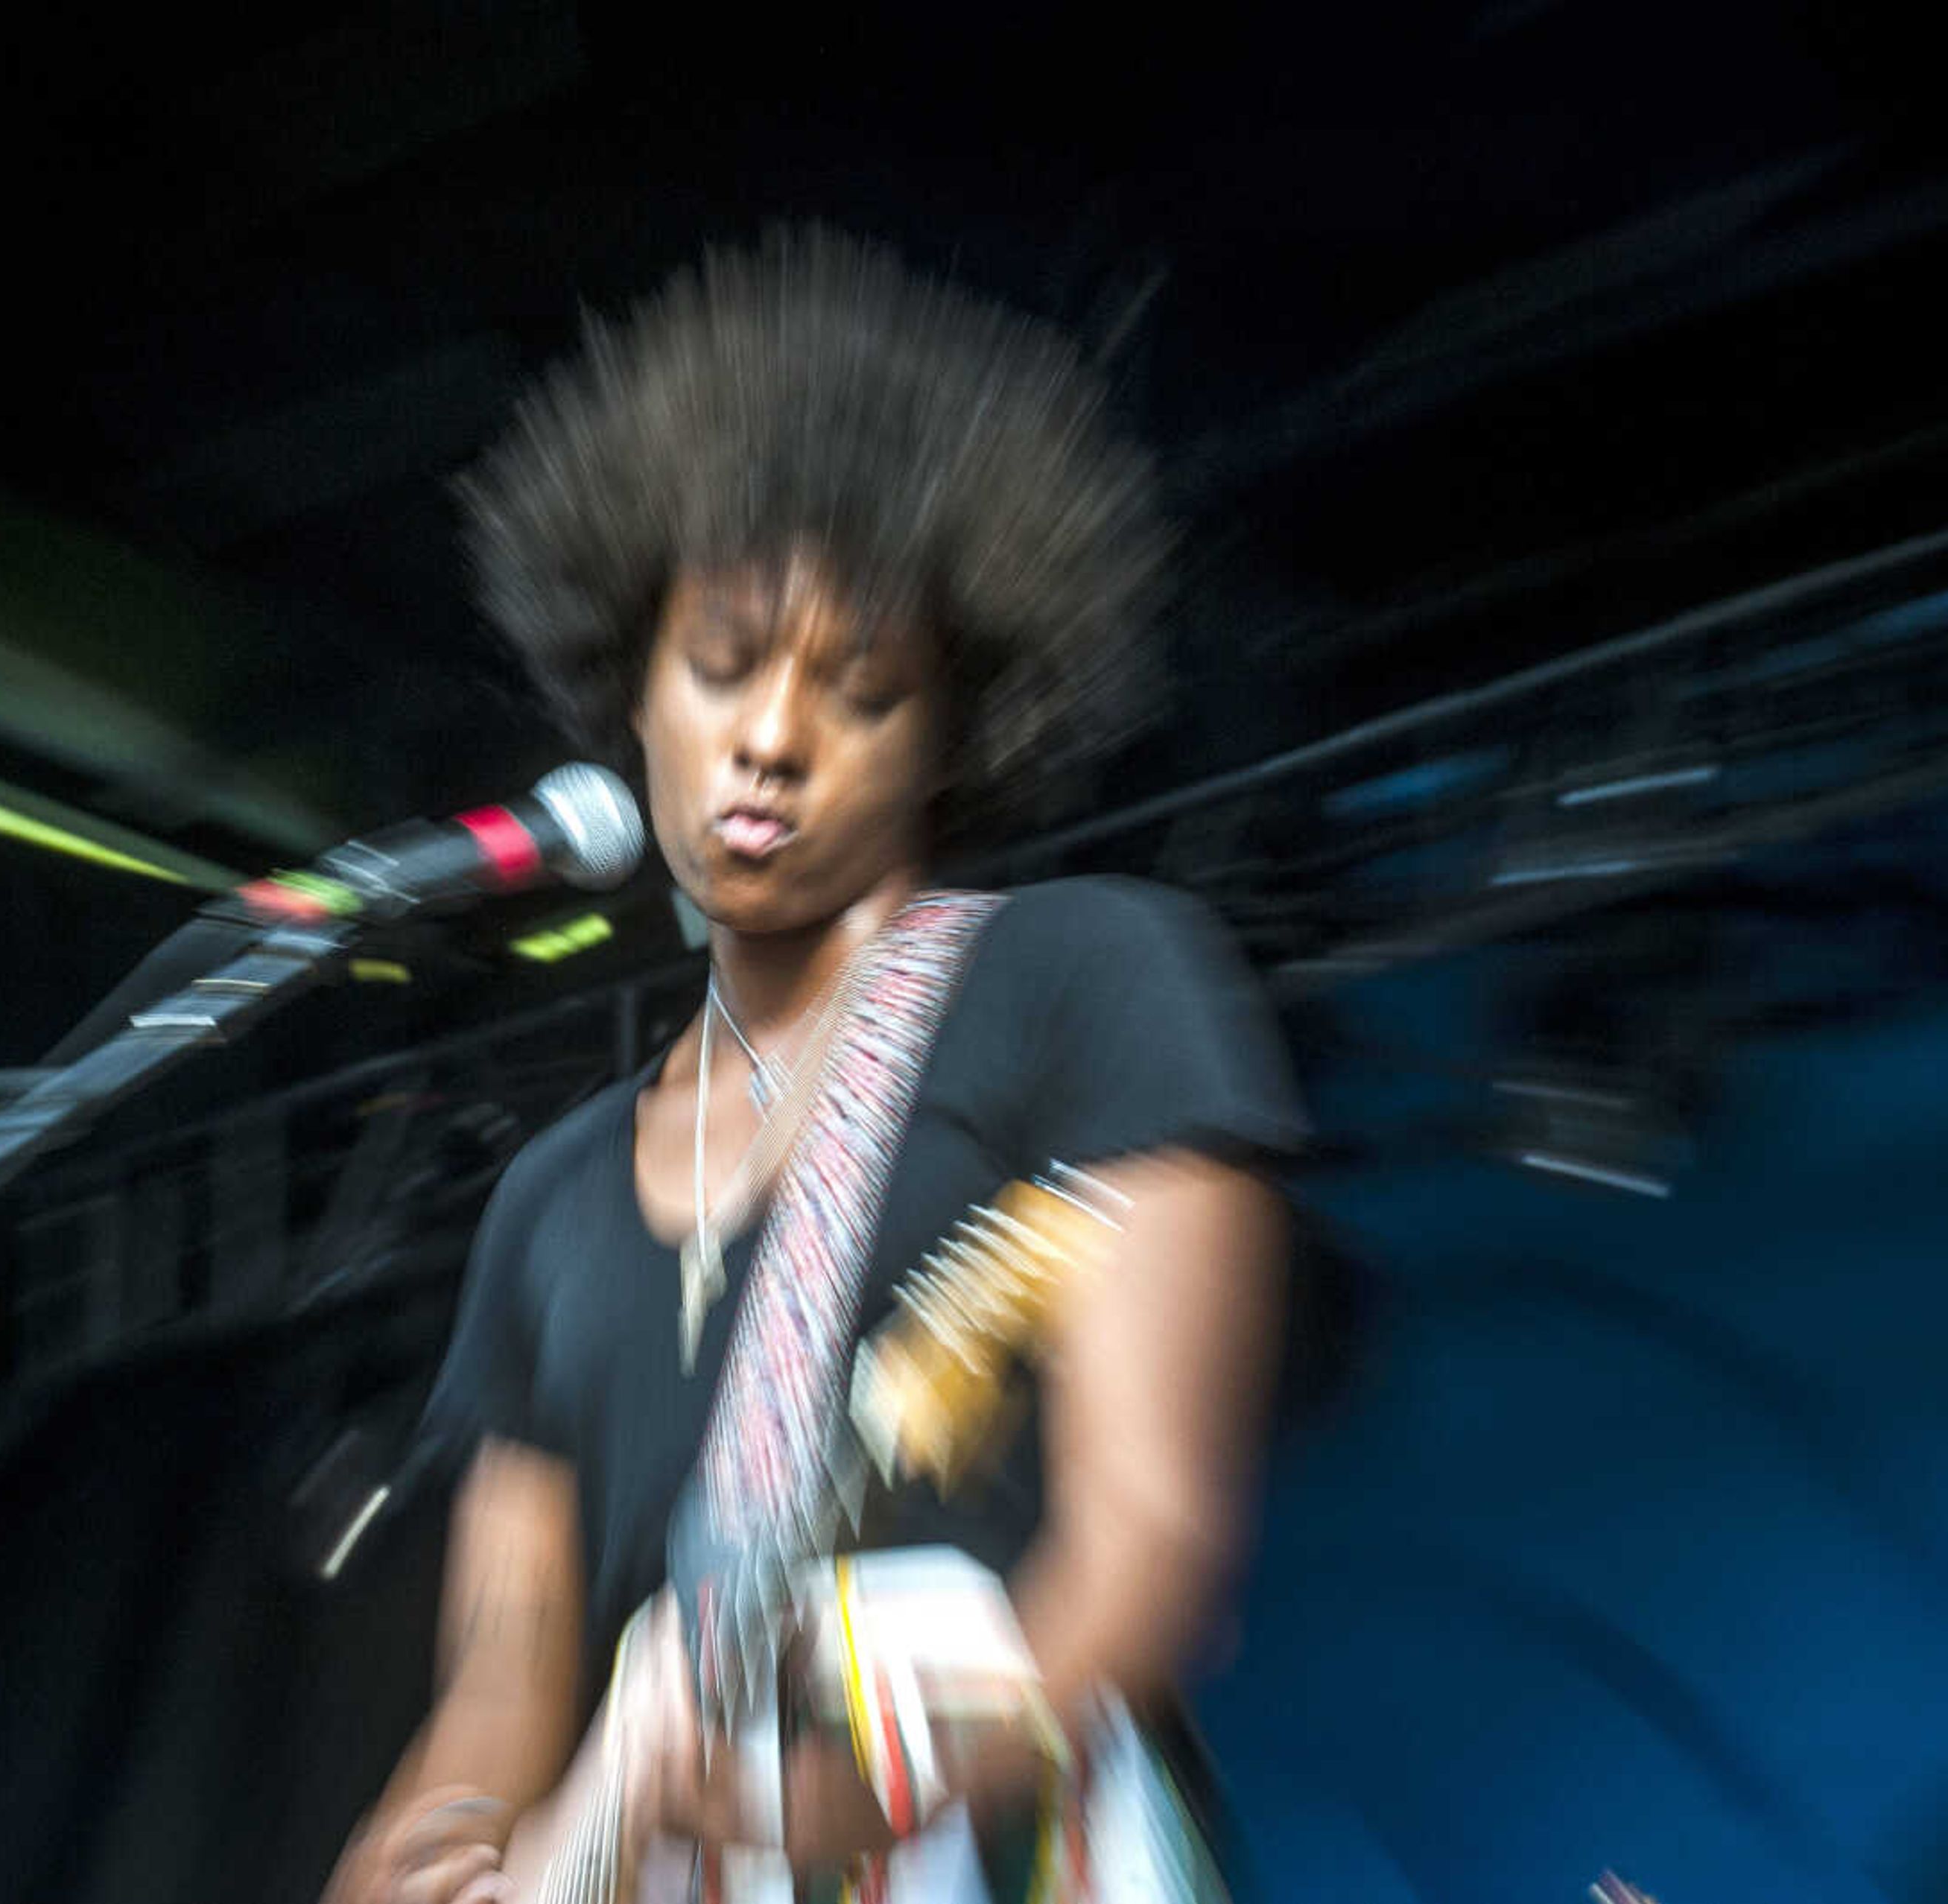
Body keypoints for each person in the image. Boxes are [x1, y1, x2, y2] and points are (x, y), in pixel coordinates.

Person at [325, 228, 1304, 1904]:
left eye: (861, 690)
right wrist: (440, 1857)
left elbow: (1147, 1550)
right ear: (630, 686)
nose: (770, 736)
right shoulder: (549, 1198)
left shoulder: (1084, 979)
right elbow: (499, 1689)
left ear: (953, 738)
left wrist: (864, 1800)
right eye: (720, 664)